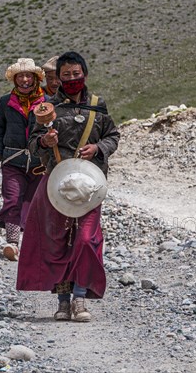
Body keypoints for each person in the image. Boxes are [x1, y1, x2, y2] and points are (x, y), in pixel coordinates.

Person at [16, 51, 120, 322]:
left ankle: (81, 299)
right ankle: (63, 301)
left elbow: (113, 136)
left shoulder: (98, 105)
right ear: (58, 78)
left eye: (76, 74)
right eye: (66, 75)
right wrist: (44, 143)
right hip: (56, 184)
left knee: (85, 239)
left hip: (89, 185)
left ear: (84, 74)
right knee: (56, 241)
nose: (72, 79)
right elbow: (32, 143)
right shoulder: (46, 108)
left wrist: (98, 147)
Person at [0, 58, 45, 261]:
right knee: (12, 199)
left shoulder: (46, 102)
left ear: (35, 78)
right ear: (15, 80)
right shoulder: (5, 102)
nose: (24, 80)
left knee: (32, 203)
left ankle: (31, 243)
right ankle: (12, 243)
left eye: (28, 76)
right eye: (20, 76)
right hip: (12, 159)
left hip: (38, 162)